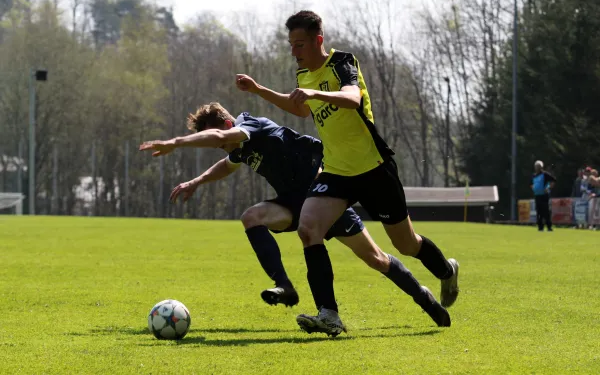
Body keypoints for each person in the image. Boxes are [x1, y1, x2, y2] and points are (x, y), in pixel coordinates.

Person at [235, 10, 459, 336]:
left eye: (300, 45)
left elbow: (353, 99)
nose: (294, 52)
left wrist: (315, 94)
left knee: (406, 244)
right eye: (291, 45)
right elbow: (299, 107)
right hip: (336, 172)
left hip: (373, 169)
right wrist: (259, 90)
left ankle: (445, 270)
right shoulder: (303, 76)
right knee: (309, 228)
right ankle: (329, 313)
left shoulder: (342, 62)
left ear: (318, 40)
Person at [139, 102, 450, 335]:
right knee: (252, 217)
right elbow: (227, 163)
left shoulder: (250, 126)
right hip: (293, 204)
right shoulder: (240, 149)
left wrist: (176, 143)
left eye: (220, 138)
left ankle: (422, 296)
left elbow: (224, 136)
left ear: (225, 121)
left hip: (325, 195)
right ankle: (292, 290)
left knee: (376, 259)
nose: (222, 145)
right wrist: (196, 181)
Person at [531, 160, 556, 231]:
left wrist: (548, 188)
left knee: (546, 211)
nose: (537, 168)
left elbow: (553, 180)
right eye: (536, 166)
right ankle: (540, 227)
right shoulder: (534, 175)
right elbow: (530, 183)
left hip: (544, 195)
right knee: (539, 212)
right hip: (537, 195)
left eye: (538, 166)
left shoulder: (545, 174)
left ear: (541, 167)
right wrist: (533, 188)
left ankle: (549, 226)